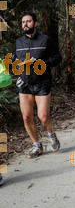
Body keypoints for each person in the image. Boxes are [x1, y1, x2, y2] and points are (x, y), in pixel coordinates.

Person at [12, 12, 62, 159]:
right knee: (27, 117)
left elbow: (57, 57)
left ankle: (51, 134)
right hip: (25, 84)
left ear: (35, 23)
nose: (25, 24)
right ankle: (37, 145)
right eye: (23, 22)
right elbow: (14, 61)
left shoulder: (46, 40)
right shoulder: (18, 42)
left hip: (42, 83)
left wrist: (43, 64)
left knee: (43, 116)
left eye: (28, 21)